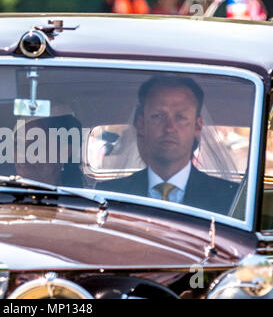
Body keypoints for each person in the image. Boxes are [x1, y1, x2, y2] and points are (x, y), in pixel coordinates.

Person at [97, 75, 238, 214]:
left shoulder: (231, 199)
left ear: (197, 126)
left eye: (180, 117)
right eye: (158, 116)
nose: (169, 128)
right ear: (141, 124)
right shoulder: (108, 195)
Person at [14, 115, 84, 187]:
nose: (22, 153)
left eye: (35, 145)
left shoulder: (77, 197)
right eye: (18, 143)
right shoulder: (4, 196)